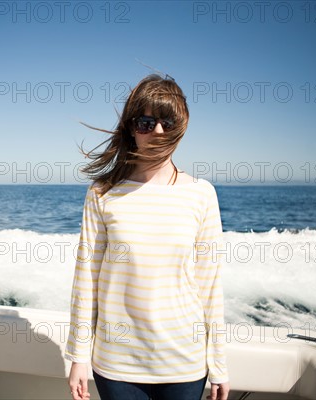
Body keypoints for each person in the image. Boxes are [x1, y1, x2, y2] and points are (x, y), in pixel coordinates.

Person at [64, 74, 230, 400]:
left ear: (180, 127)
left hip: (185, 363)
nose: (157, 131)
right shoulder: (103, 193)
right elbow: (86, 280)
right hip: (116, 364)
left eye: (166, 122)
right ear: (130, 128)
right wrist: (78, 357)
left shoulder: (202, 195)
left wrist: (219, 364)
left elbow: (211, 286)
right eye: (145, 122)